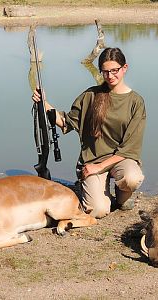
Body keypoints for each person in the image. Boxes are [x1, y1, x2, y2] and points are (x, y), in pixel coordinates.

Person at [32, 47, 146, 219]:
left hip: (121, 159)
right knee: (98, 211)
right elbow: (66, 122)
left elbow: (129, 149)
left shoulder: (136, 102)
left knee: (132, 178)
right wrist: (43, 103)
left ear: (124, 68)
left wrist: (98, 168)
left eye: (115, 70)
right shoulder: (91, 95)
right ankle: (98, 190)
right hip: (92, 160)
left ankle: (121, 197)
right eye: (105, 71)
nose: (110, 76)